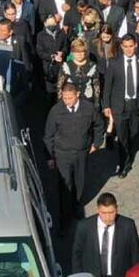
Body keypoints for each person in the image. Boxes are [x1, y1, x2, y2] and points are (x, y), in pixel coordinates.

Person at [44, 82, 106, 225]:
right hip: (62, 155)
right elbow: (48, 135)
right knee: (65, 186)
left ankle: (76, 207)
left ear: (77, 94)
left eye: (70, 98)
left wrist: (96, 143)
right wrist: (49, 156)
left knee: (79, 182)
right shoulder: (56, 111)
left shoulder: (88, 109)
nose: (67, 101)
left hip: (81, 153)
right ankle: (64, 218)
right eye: (64, 98)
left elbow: (99, 125)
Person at [102, 34, 139, 178]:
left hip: (136, 106)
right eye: (125, 47)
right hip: (119, 106)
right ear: (121, 47)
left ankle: (129, 150)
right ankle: (124, 164)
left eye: (131, 46)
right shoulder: (114, 63)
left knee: (134, 133)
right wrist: (106, 105)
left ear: (135, 45)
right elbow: (108, 86)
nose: (128, 49)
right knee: (122, 137)